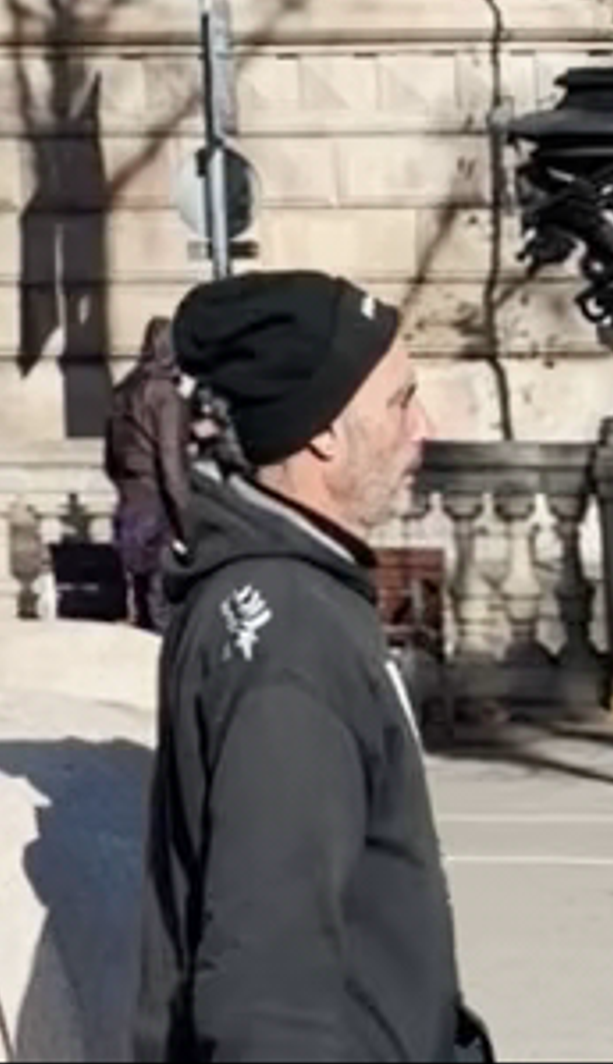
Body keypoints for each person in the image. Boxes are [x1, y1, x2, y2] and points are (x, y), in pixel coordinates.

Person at [134, 265, 490, 1064]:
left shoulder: (287, 593)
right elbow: (268, 968)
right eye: (398, 402)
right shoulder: (290, 631)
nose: (421, 427)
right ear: (324, 429)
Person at [104, 310, 193, 624]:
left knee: (140, 600)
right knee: (161, 609)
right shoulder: (165, 396)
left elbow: (110, 459)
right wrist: (188, 523)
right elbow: (172, 465)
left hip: (130, 500)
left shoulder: (122, 391)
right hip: (158, 506)